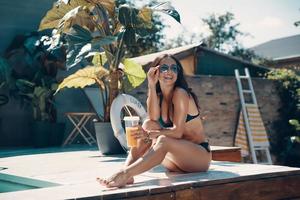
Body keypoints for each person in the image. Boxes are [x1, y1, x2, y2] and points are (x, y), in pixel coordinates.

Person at [97, 54, 211, 188]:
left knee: (162, 139)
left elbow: (178, 132)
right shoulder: (158, 96)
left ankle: (124, 173)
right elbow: (152, 119)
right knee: (147, 124)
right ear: (156, 71)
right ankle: (128, 173)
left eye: (174, 68)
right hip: (175, 162)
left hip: (198, 158)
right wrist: (151, 84)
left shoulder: (180, 93)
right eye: (164, 68)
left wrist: (151, 135)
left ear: (178, 74)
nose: (169, 71)